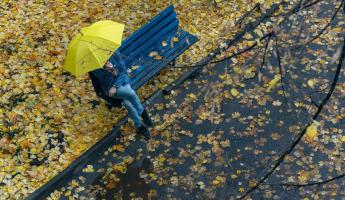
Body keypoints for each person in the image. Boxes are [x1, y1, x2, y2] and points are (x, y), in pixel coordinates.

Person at [88, 51, 153, 140]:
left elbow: (123, 70)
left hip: (122, 81)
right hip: (110, 88)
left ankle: (140, 125)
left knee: (128, 104)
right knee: (131, 93)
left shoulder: (114, 53)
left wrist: (113, 70)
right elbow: (105, 81)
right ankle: (143, 114)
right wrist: (107, 69)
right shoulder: (93, 66)